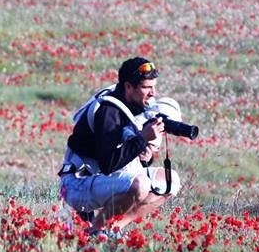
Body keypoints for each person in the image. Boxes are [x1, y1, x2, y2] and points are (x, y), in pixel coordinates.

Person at [58, 57, 181, 238]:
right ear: (128, 87)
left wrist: (145, 156)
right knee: (140, 184)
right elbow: (108, 164)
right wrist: (141, 138)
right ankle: (96, 231)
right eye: (147, 87)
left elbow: (126, 153)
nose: (153, 93)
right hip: (77, 182)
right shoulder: (109, 111)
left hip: (104, 180)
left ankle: (111, 229)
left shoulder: (136, 105)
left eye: (154, 87)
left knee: (171, 181)